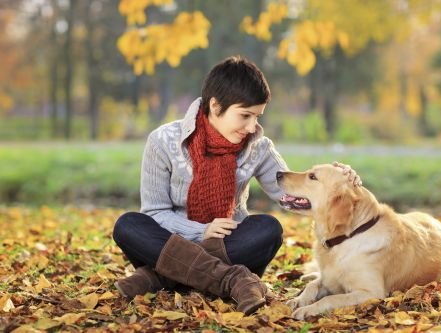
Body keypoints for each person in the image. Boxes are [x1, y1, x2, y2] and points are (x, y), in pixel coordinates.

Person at [112, 55, 361, 315]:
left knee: (268, 229)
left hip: (224, 245)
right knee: (129, 226)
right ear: (216, 105)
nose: (252, 126)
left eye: (257, 116)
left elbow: (289, 190)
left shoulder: (258, 147)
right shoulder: (163, 141)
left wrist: (337, 180)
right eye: (245, 115)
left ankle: (159, 278)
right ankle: (232, 280)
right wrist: (202, 231)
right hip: (173, 241)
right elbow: (154, 213)